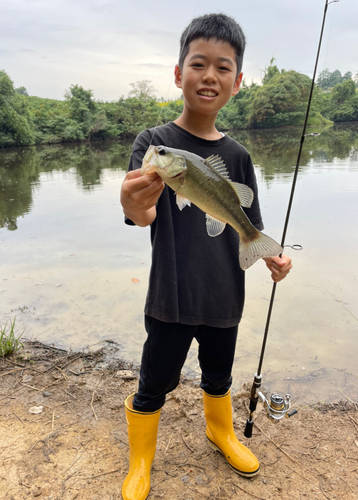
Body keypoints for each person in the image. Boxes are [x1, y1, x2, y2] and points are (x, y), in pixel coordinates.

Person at [120, 13, 292, 500]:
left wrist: (272, 256)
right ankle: (141, 460)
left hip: (224, 295)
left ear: (237, 83)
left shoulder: (237, 157)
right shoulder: (154, 146)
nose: (209, 75)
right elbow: (142, 214)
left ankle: (221, 431)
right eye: (198, 64)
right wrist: (134, 202)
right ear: (179, 73)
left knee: (219, 374)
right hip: (171, 295)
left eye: (223, 67)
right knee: (156, 379)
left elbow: (249, 224)